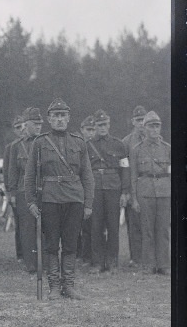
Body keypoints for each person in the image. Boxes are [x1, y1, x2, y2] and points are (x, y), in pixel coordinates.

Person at [24, 99, 94, 300]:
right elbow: (30, 176)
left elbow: (87, 175)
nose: (59, 119)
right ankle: (54, 286)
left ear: (69, 118)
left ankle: (69, 286)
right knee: (52, 244)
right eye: (55, 115)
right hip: (50, 198)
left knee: (71, 243)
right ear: (49, 119)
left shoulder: (79, 142)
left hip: (74, 198)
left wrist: (88, 202)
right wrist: (30, 201)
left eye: (63, 115)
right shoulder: (40, 142)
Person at [86, 109, 130, 274]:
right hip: (95, 189)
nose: (102, 127)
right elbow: (84, 171)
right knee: (95, 225)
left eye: (105, 124)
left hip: (113, 188)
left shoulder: (119, 145)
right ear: (95, 126)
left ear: (109, 125)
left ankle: (112, 262)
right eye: (99, 125)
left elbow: (125, 169)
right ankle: (97, 263)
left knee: (113, 226)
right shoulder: (88, 145)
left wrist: (125, 191)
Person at [130, 111, 170, 275]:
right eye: (151, 126)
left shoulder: (168, 148)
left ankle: (163, 264)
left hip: (164, 192)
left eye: (157, 126)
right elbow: (133, 176)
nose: (155, 129)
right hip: (145, 192)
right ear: (144, 128)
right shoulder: (136, 150)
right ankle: (148, 264)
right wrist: (134, 198)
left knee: (162, 229)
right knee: (146, 229)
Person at [5, 107, 43, 273]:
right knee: (27, 229)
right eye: (35, 124)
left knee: (46, 228)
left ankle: (46, 262)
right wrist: (12, 193)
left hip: (44, 191)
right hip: (23, 192)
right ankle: (31, 263)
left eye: (40, 124)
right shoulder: (16, 147)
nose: (39, 127)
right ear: (26, 125)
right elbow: (12, 172)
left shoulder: (46, 142)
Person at [122, 105, 147, 266]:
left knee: (149, 223)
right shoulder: (126, 142)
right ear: (133, 121)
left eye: (143, 120)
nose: (141, 123)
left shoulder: (153, 139)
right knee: (134, 225)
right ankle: (136, 257)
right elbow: (124, 168)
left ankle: (149, 256)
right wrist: (127, 191)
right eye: (138, 120)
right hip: (133, 186)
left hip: (149, 186)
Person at [3, 114, 25, 262]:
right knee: (20, 222)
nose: (22, 129)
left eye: (24, 125)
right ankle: (21, 254)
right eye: (18, 127)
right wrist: (10, 193)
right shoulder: (11, 148)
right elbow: (7, 172)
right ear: (14, 131)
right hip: (18, 190)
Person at [76, 116, 97, 266]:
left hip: (94, 188)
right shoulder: (77, 146)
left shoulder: (98, 146)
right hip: (78, 189)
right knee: (77, 225)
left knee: (92, 225)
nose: (91, 133)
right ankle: (78, 255)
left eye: (93, 130)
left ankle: (88, 255)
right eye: (88, 130)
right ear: (81, 130)